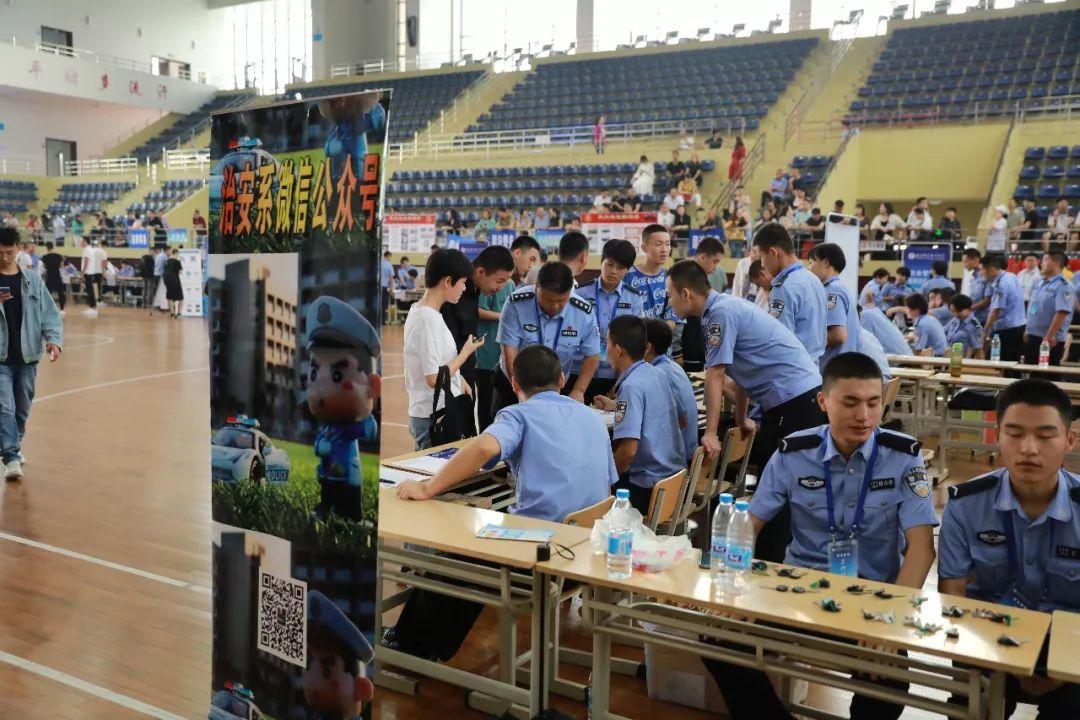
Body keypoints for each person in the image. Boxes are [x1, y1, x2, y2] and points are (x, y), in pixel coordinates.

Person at [703, 352, 937, 720]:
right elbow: (749, 525)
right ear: (823, 402)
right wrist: (734, 591)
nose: (864, 415)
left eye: (874, 403)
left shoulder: (903, 458)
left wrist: (890, 620)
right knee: (716, 635)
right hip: (798, 590)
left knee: (888, 680)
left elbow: (922, 548)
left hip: (871, 599)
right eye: (851, 402)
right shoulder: (794, 452)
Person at [387, 345, 616, 661]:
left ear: (514, 384)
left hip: (539, 555)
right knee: (481, 535)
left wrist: (428, 487)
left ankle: (412, 646)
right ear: (562, 379)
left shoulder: (518, 414)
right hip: (585, 551)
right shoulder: (592, 419)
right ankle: (428, 645)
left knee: (453, 554)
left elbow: (483, 447)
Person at [938, 379, 1080, 718]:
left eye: (1046, 436)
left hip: (1070, 647)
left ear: (1069, 440)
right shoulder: (965, 505)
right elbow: (953, 598)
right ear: (997, 436)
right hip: (986, 640)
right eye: (1014, 434)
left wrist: (1061, 672)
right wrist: (996, 661)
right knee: (968, 708)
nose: (1029, 448)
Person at [667, 259, 825, 561]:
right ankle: (772, 558)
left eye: (671, 295)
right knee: (776, 485)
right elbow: (740, 374)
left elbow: (715, 375)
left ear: (686, 294)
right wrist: (740, 419)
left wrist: (711, 433)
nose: (669, 302)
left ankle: (770, 565)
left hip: (794, 403)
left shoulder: (719, 315)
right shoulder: (727, 307)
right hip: (795, 399)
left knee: (777, 490)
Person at [593, 316, 685, 515]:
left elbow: (628, 452)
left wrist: (604, 482)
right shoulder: (657, 374)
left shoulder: (631, 386)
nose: (606, 349)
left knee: (588, 493)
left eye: (607, 342)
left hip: (648, 489)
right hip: (673, 481)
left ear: (618, 350)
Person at [493, 261, 600, 414]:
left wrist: (579, 390)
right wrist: (519, 389)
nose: (555, 306)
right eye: (549, 300)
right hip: (515, 383)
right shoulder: (516, 303)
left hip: (557, 388)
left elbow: (592, 354)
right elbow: (509, 350)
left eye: (562, 301)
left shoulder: (582, 312)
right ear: (537, 287)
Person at [403, 249, 484, 450]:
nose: (465, 288)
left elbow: (439, 360)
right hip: (433, 416)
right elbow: (433, 378)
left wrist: (460, 378)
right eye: (463, 282)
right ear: (447, 281)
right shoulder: (426, 319)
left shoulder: (427, 313)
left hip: (440, 410)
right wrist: (465, 353)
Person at [0, 228, 63, 481]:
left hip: (27, 356)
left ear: (19, 249)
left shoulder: (32, 280)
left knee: (22, 409)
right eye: (1, 253)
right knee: (4, 407)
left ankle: (15, 442)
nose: (5, 257)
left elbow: (48, 312)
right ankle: (11, 457)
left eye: (9, 252)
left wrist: (53, 340)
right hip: (1, 358)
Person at [440, 245, 515, 435]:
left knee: (467, 429)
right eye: (499, 280)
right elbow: (448, 342)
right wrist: (457, 375)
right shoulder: (455, 294)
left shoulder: (474, 291)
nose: (501, 288)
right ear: (480, 271)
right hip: (452, 374)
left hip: (466, 370)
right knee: (452, 434)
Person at [573, 239, 644, 403]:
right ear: (601, 261)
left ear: (628, 270)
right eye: (609, 264)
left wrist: (622, 380)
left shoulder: (633, 297)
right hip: (579, 371)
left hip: (613, 374)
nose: (613, 271)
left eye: (620, 268)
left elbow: (635, 341)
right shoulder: (580, 292)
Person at [754, 224, 827, 365]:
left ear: (772, 253)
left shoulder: (784, 287)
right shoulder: (813, 279)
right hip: (814, 368)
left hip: (791, 373)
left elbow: (778, 343)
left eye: (761, 258)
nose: (763, 265)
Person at [643, 316, 698, 466]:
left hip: (674, 461)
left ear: (647, 347)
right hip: (689, 454)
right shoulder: (672, 366)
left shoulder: (656, 374)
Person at [625, 224, 684, 357]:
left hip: (661, 354)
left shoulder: (672, 278)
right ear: (644, 248)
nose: (664, 250)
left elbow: (671, 321)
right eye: (658, 244)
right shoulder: (628, 276)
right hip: (633, 351)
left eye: (667, 244)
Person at [808, 243, 859, 369]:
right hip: (845, 366)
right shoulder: (840, 288)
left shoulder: (831, 291)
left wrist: (808, 342)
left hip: (834, 369)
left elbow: (838, 335)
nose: (809, 268)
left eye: (811, 262)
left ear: (825, 263)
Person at [1025, 251, 1074, 369]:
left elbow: (1061, 313)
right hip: (1034, 335)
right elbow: (1034, 306)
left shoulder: (1063, 285)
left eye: (1045, 260)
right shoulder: (1041, 283)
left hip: (1048, 339)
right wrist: (1028, 329)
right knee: (1031, 374)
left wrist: (1049, 336)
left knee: (1047, 376)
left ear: (1056, 263)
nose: (1041, 263)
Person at [981, 254, 1027, 361]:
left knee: (998, 363)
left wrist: (986, 330)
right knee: (1012, 362)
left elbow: (996, 310)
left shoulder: (1001, 283)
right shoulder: (1011, 276)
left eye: (983, 270)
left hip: (1008, 330)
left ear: (991, 269)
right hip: (1018, 326)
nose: (982, 273)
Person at [962, 248, 991, 325]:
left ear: (975, 260)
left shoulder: (985, 275)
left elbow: (988, 300)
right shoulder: (974, 277)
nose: (964, 264)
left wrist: (968, 308)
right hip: (975, 316)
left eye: (966, 261)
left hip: (985, 318)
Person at [80, 238, 105, 317]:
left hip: (87, 272)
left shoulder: (86, 250)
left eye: (82, 241)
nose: (81, 243)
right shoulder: (91, 249)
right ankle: (92, 307)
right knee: (90, 290)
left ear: (85, 242)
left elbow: (86, 262)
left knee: (90, 290)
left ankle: (93, 308)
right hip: (91, 272)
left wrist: (82, 272)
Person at [41, 242, 65, 316]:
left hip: (49, 276)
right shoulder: (59, 256)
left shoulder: (44, 257)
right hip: (57, 276)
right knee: (60, 293)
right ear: (53, 247)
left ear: (46, 247)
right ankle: (62, 310)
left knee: (48, 294)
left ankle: (49, 310)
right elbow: (61, 266)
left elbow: (44, 266)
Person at [164, 248, 184, 318]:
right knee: (181, 298)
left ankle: (172, 314)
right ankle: (179, 313)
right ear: (176, 254)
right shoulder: (177, 261)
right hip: (175, 281)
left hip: (168, 282)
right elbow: (180, 272)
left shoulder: (167, 261)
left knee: (170, 298)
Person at [139, 247, 157, 315]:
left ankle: (143, 304)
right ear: (151, 251)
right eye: (154, 252)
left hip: (143, 276)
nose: (154, 253)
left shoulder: (143, 257)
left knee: (144, 289)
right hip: (150, 276)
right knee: (150, 290)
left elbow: (140, 266)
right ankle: (150, 304)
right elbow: (153, 267)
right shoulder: (151, 259)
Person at [380, 250, 395, 324]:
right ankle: (382, 321)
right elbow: (391, 279)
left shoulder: (378, 263)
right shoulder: (389, 265)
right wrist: (392, 289)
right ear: (388, 256)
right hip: (383, 287)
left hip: (376, 287)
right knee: (383, 305)